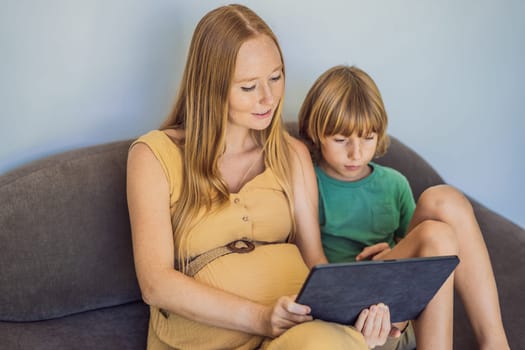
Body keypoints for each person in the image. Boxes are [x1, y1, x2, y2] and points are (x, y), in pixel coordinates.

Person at [127, 5, 396, 350]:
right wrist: (261, 317)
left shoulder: (292, 155)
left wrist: (358, 315)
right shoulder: (153, 156)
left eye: (276, 77)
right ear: (212, 87)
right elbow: (155, 284)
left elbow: (315, 261)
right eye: (249, 86)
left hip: (301, 334)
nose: (269, 99)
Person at [298, 65, 510, 350]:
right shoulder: (309, 181)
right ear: (315, 131)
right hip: (348, 312)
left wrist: (396, 249)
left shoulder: (394, 183)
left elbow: (419, 248)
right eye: (340, 140)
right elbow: (312, 267)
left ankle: (495, 343)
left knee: (443, 206)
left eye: (367, 138)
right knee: (435, 235)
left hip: (398, 313)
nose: (356, 153)